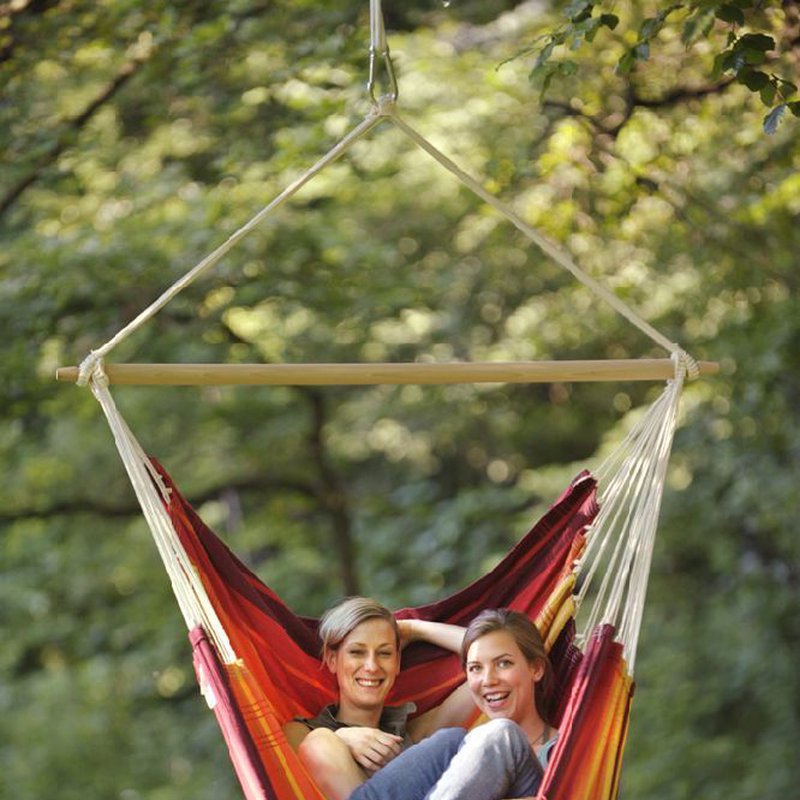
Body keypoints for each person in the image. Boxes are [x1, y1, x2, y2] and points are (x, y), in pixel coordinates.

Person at [347, 608, 558, 800]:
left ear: (536, 669)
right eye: (475, 668)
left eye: (504, 663)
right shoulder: (458, 748)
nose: (488, 680)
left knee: (501, 732)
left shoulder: (564, 751)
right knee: (452, 739)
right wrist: (413, 628)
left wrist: (414, 628)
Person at [283, 596, 475, 800]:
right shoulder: (301, 733)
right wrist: (342, 737)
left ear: (397, 662)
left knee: (454, 739)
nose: (372, 666)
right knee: (319, 742)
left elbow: (491, 657)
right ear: (332, 660)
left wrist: (414, 628)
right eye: (357, 652)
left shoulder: (414, 734)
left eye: (384, 653)